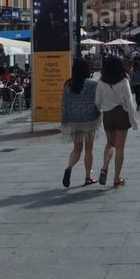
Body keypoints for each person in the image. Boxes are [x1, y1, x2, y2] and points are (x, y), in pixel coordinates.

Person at [95, 57, 138, 187]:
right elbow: (129, 102)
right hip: (121, 114)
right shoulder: (124, 81)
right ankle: (116, 178)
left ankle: (104, 166)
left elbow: (97, 102)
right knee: (120, 147)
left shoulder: (100, 82)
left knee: (109, 143)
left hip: (107, 115)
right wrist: (134, 121)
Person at [60, 60, 100, 188]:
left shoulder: (68, 84)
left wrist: (65, 120)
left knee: (77, 149)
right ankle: (88, 177)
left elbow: (64, 104)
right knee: (89, 149)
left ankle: (69, 167)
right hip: (89, 120)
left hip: (74, 121)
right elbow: (98, 102)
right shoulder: (93, 84)